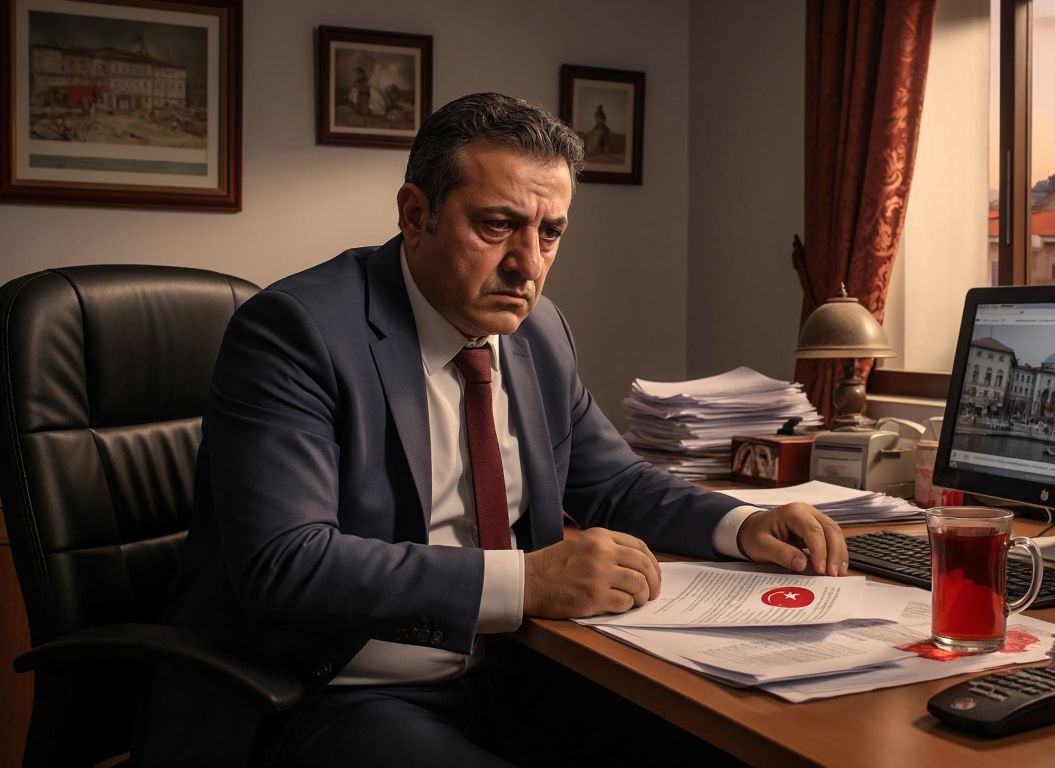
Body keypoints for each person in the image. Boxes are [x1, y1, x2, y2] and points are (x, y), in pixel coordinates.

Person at [141, 92, 846, 766]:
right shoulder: (296, 332)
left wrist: (743, 524)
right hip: (334, 690)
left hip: (519, 669)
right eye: (497, 225)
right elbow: (288, 563)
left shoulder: (538, 331)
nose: (528, 265)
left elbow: (614, 483)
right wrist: (527, 581)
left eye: (550, 233)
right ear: (416, 214)